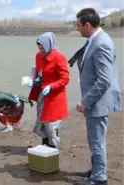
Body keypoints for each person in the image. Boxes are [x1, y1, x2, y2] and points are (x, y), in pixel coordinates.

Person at [70, 8, 122, 185]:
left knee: (96, 140)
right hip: (97, 99)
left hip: (98, 101)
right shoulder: (95, 40)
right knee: (95, 138)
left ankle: (99, 177)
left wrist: (85, 102)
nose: (77, 29)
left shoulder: (101, 44)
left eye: (78, 26)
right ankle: (96, 169)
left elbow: (104, 79)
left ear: (87, 25)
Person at [23, 32, 69, 148]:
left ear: (49, 45)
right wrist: (32, 82)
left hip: (55, 97)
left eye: (43, 48)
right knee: (41, 121)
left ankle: (53, 149)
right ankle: (45, 146)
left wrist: (51, 86)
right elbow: (40, 75)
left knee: (51, 124)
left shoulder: (59, 58)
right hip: (42, 94)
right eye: (39, 48)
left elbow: (65, 79)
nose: (41, 51)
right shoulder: (38, 57)